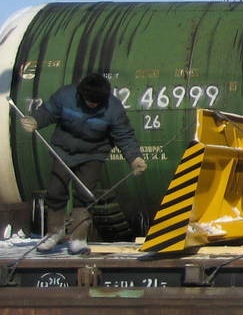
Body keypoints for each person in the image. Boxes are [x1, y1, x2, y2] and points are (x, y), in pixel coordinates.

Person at [18, 72, 147, 254]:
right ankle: (54, 233)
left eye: (97, 102)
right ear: (80, 94)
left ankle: (78, 238)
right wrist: (35, 120)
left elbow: (124, 136)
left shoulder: (114, 109)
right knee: (56, 191)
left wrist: (135, 158)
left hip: (93, 154)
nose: (93, 104)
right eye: (89, 100)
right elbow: (48, 112)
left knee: (85, 195)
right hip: (63, 151)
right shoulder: (65, 96)